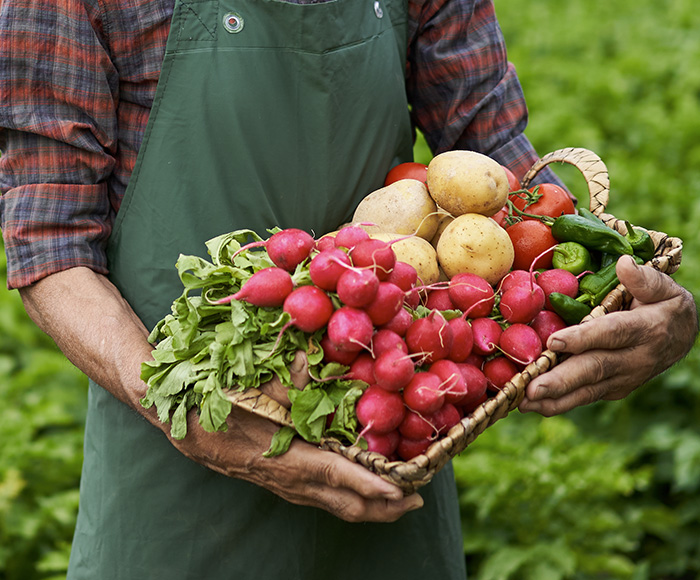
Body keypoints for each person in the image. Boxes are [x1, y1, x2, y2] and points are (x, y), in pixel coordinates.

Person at [0, 0, 696, 578]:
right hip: (173, 492)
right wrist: (179, 405)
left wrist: (629, 299)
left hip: (394, 428)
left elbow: (502, 184)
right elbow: (52, 246)